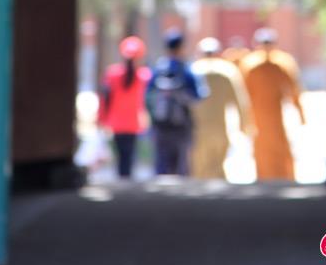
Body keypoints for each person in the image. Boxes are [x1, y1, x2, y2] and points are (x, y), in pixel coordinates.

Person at [241, 27, 305, 181]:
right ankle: (266, 176)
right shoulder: (251, 64)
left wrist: (301, 112)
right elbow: (244, 93)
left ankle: (282, 177)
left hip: (274, 114)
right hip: (258, 114)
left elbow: (293, 90)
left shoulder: (281, 62)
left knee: (277, 146)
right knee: (263, 146)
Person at [147, 28, 208, 176]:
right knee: (181, 166)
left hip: (161, 124)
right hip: (182, 124)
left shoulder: (158, 70)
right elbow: (200, 95)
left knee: (161, 165)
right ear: (181, 47)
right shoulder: (187, 70)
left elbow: (148, 96)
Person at [191, 37, 251, 179]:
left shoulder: (194, 70)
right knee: (218, 167)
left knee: (199, 170)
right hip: (220, 129)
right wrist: (244, 125)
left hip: (198, 130)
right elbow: (240, 102)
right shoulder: (227, 71)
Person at [98, 35, 151, 178]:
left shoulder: (112, 74)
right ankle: (126, 178)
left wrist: (101, 118)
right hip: (133, 123)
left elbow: (105, 98)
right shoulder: (143, 76)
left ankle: (122, 178)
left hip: (116, 122)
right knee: (129, 154)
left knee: (121, 155)